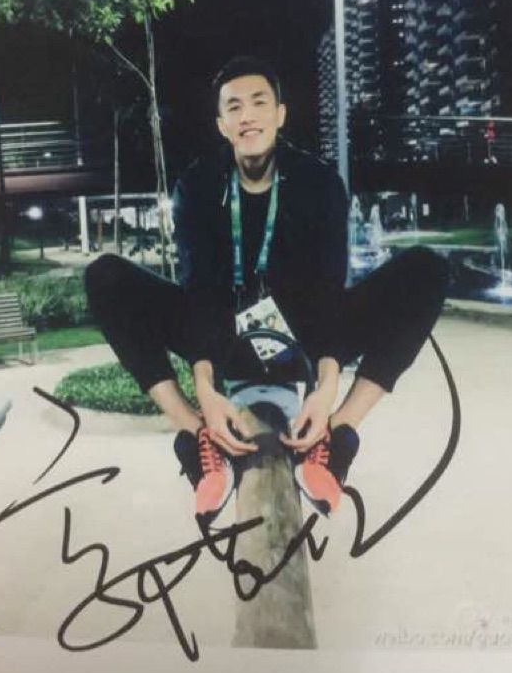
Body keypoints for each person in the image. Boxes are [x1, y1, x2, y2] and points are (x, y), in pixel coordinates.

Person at [85, 56, 448, 521]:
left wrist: (327, 387)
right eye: (234, 107)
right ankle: (195, 435)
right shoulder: (197, 185)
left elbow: (329, 289)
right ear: (222, 124)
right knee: (106, 277)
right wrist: (205, 388)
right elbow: (200, 293)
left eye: (259, 103)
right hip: (223, 331)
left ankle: (339, 436)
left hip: (304, 329)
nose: (247, 116)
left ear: (280, 114)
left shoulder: (319, 182)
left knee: (426, 268)